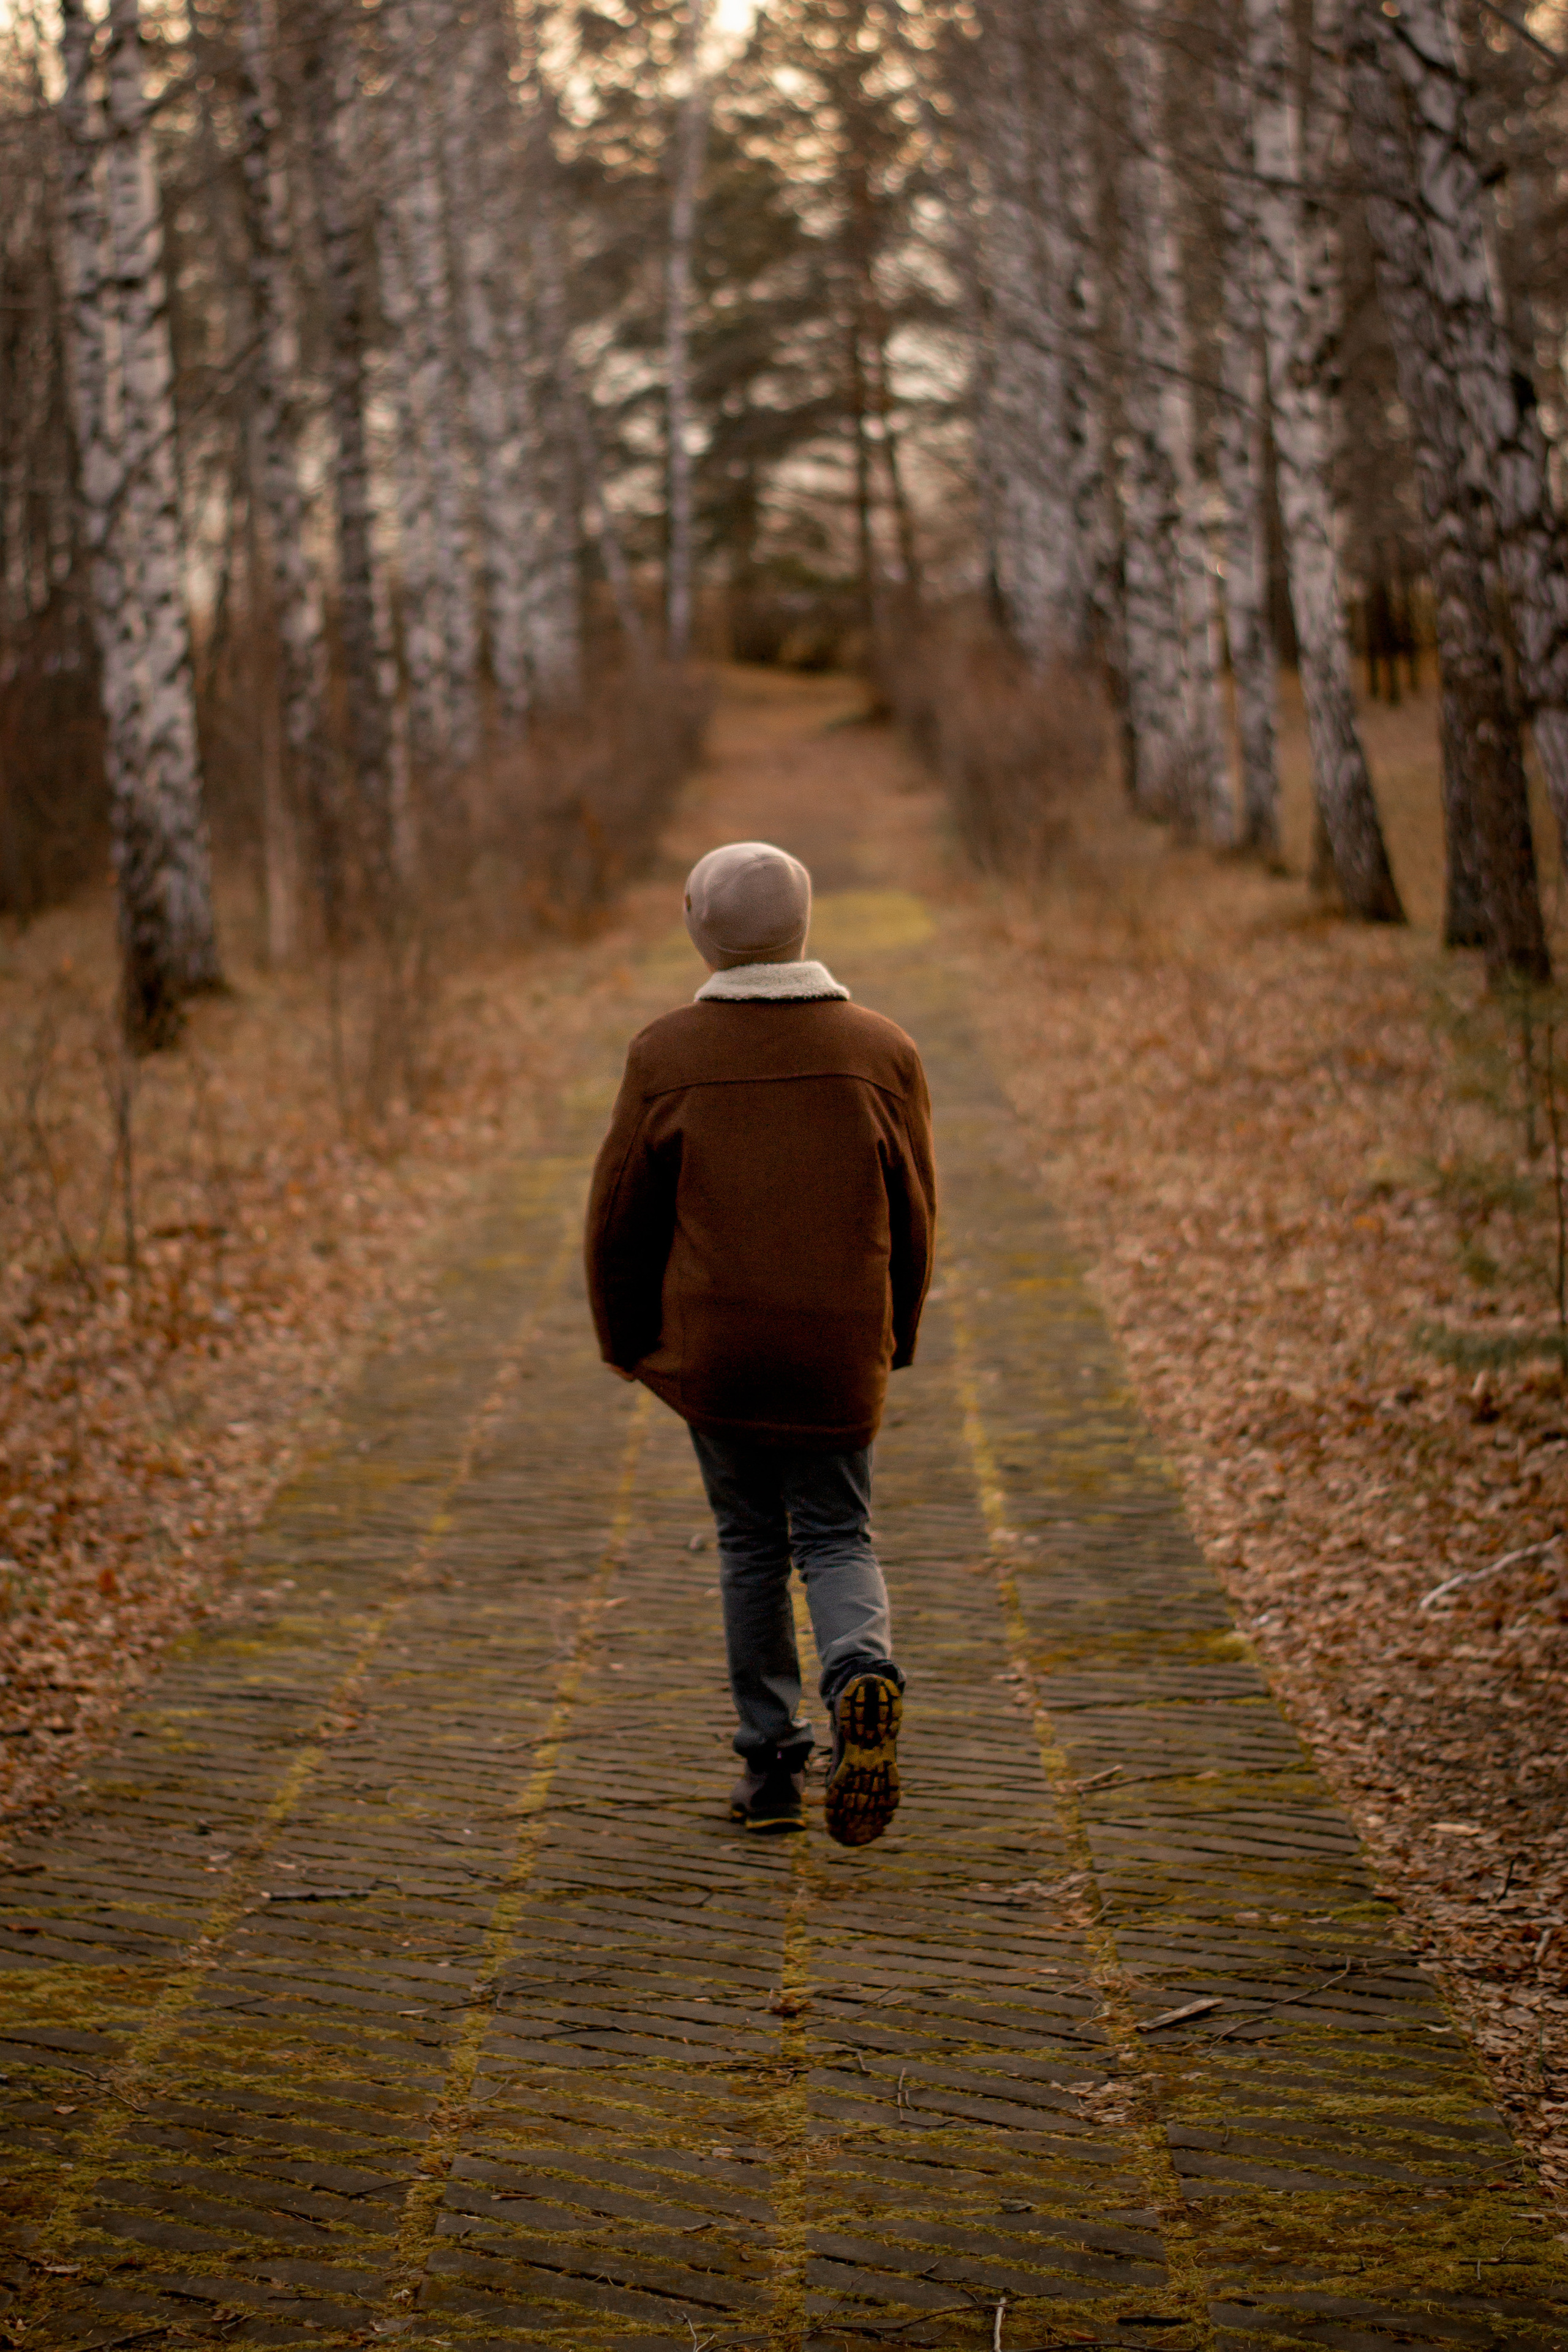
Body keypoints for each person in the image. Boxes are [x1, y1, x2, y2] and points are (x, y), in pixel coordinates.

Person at [585, 841, 937, 1844]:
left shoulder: (665, 1056)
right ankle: (860, 1673)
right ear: (805, 923)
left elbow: (619, 1215)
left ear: (702, 930)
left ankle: (772, 1767)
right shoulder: (882, 1050)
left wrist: (628, 1338)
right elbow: (915, 1214)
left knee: (750, 1543)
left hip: (720, 1351)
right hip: (836, 1349)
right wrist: (895, 1333)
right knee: (837, 1533)